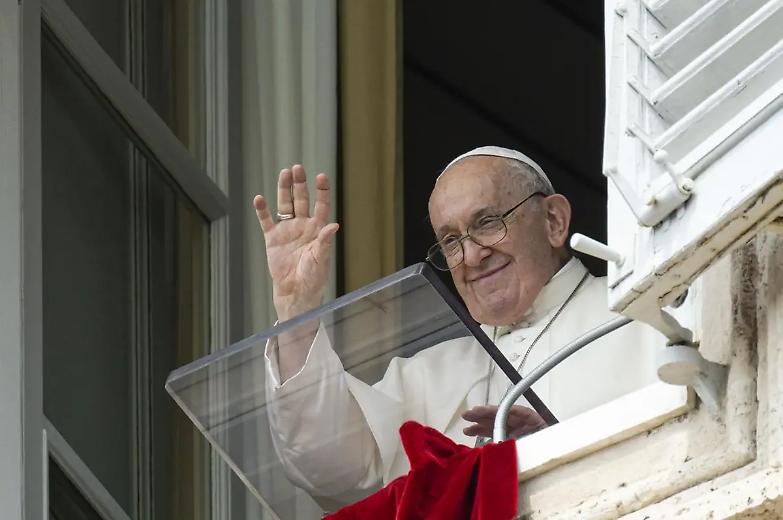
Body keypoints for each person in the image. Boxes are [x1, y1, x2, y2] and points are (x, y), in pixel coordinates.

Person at [253, 146, 662, 506]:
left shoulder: (642, 311)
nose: (470, 255)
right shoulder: (427, 374)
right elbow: (330, 469)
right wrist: (296, 306)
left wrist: (561, 445)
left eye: (487, 222)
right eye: (450, 240)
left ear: (553, 221)